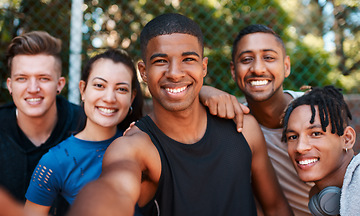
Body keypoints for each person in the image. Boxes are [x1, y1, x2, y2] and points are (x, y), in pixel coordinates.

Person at [68, 13, 292, 216]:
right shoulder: (133, 146)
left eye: (188, 59)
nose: (175, 73)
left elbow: (275, 207)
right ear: (143, 72)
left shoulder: (244, 127)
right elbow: (113, 189)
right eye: (161, 61)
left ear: (203, 67)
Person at [200, 24, 312, 215]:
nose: (258, 68)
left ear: (286, 66)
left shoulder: (317, 111)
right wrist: (202, 90)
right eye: (246, 59)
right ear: (234, 71)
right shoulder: (235, 124)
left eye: (268, 57)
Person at [23, 49, 143, 216]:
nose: (109, 98)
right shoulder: (54, 162)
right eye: (99, 85)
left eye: (121, 89)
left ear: (131, 97)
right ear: (83, 90)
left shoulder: (143, 144)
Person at [0, 31, 86, 215]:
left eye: (43, 78)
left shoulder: (85, 125)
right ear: (10, 85)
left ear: (60, 84)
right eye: (22, 78)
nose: (33, 89)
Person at [282, 85, 359, 216]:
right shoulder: (322, 198)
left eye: (316, 133)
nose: (300, 147)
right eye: (293, 137)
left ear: (347, 139)